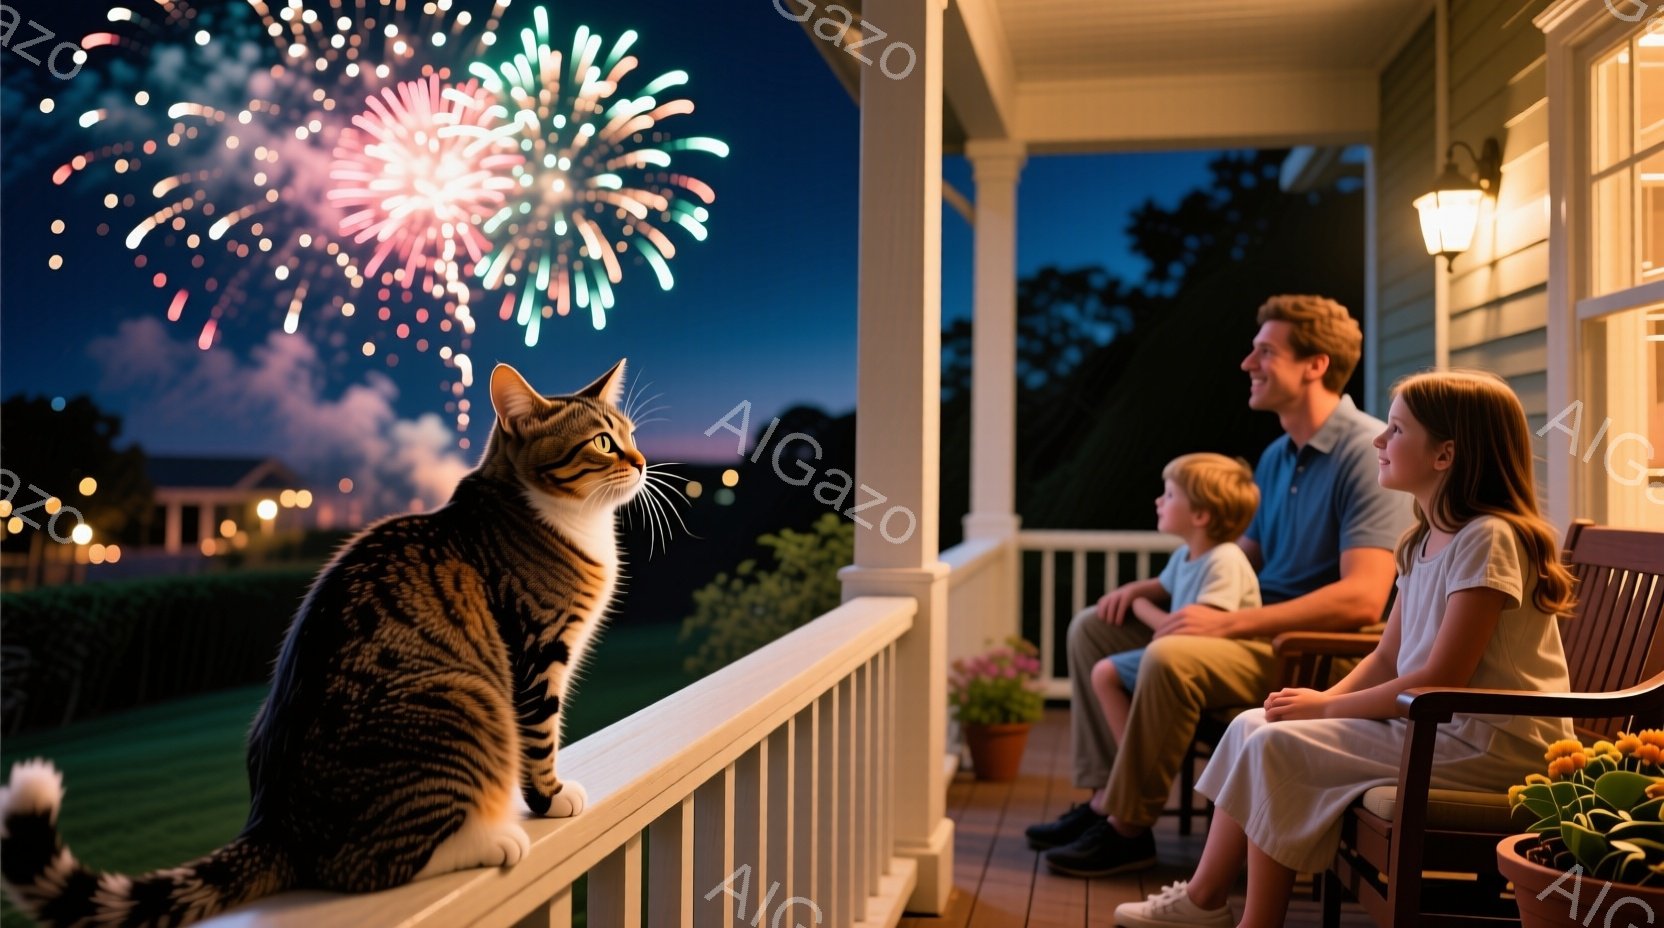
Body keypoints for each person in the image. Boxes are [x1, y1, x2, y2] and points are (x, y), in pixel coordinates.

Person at [1113, 369, 1578, 928]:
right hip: (1437, 727)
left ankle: (1247, 919)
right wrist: (1313, 699)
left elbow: (1443, 675)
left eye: (1397, 430)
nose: (1379, 441)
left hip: (1498, 744)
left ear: (1445, 454)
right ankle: (1205, 899)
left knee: (1275, 745)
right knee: (1254, 725)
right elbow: (1387, 657)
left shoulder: (1489, 538)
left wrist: (1326, 710)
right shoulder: (1422, 539)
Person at [1028, 294, 1411, 878]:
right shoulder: (1278, 454)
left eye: (1264, 352)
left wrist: (1226, 622)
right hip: (1258, 635)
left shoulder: (1365, 450)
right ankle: (1107, 800)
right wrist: (1154, 590)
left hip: (1316, 654)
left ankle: (1129, 830)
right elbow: (1244, 553)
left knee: (1174, 657)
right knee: (1094, 628)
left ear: (1315, 365)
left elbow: (1361, 597)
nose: (1246, 365)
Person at [1090, 453, 1261, 747]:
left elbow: (1189, 628)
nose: (1159, 501)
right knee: (1105, 669)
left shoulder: (1224, 559)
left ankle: (1130, 766)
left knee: (1105, 673)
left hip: (1212, 665)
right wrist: (1133, 591)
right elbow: (1160, 585)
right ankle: (1129, 759)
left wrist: (1138, 604)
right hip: (1185, 656)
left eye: (1169, 494)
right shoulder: (1185, 556)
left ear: (1200, 515)